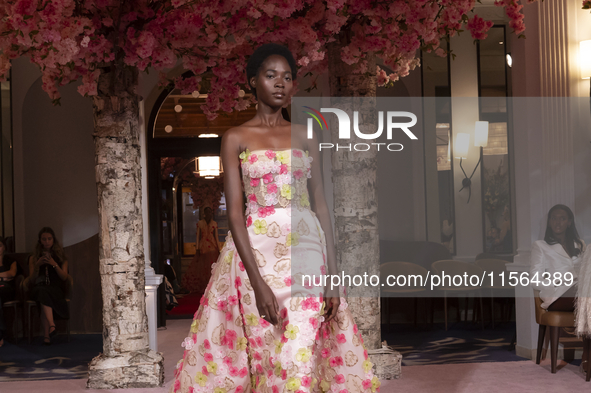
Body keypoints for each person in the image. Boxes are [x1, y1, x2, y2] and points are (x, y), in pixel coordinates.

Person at [170, 44, 378, 393]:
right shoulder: (235, 137)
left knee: (298, 356)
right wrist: (257, 282)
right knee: (268, 355)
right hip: (258, 257)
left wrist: (333, 275)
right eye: (271, 76)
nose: (280, 84)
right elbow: (235, 214)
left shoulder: (308, 134)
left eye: (288, 77)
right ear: (253, 82)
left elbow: (322, 206)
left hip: (308, 251)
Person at [529, 204, 587, 369]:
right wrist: (558, 281)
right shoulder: (540, 246)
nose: (557, 222)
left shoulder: (579, 244)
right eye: (554, 218)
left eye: (562, 218)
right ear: (549, 222)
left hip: (580, 293)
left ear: (569, 222)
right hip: (557, 295)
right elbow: (534, 279)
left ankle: (587, 356)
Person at [27, 227, 69, 345]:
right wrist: (37, 265)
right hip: (39, 286)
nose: (47, 241)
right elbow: (32, 279)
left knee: (44, 296)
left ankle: (47, 335)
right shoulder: (34, 257)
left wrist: (54, 264)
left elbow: (64, 277)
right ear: (40, 241)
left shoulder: (60, 256)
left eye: (49, 239)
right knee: (41, 292)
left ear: (53, 240)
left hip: (55, 287)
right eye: (44, 239)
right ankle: (51, 326)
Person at [181, 206, 222, 297]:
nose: (209, 214)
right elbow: (198, 236)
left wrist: (219, 249)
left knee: (212, 267)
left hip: (212, 247)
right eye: (207, 212)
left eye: (210, 212)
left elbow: (216, 237)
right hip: (203, 247)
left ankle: (212, 285)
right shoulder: (200, 223)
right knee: (202, 268)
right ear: (204, 213)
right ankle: (204, 285)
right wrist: (197, 249)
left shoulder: (214, 223)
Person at [0, 237, 17, 347]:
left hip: (7, 289)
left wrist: (2, 279)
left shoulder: (10, 260)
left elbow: (12, 274)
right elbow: (6, 276)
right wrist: (3, 277)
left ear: (4, 247)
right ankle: (0, 333)